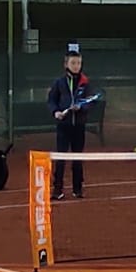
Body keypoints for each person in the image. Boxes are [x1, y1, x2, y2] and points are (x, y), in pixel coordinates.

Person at [47, 48, 93, 199]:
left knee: (77, 158)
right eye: (73, 63)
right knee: (60, 158)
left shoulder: (85, 83)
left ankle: (77, 189)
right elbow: (52, 100)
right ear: (66, 64)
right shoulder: (59, 83)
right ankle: (57, 189)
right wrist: (56, 112)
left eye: (79, 63)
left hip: (79, 126)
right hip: (63, 127)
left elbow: (90, 101)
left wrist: (81, 107)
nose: (76, 66)